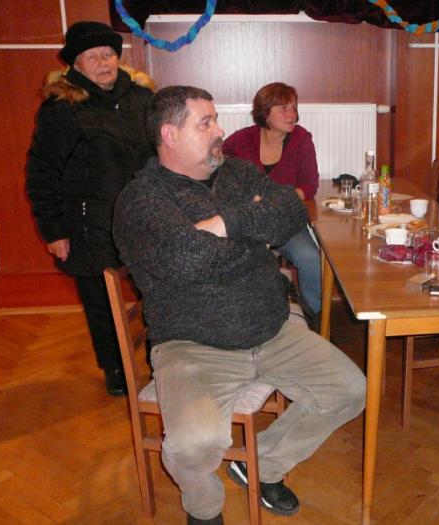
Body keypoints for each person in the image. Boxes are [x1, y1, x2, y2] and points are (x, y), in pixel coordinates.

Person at [113, 85, 366, 525]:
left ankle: (262, 465)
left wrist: (225, 222)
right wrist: (254, 237)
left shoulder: (235, 171)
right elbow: (187, 259)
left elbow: (291, 209)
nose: (219, 130)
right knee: (193, 445)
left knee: (350, 391)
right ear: (170, 134)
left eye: (215, 119)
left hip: (272, 328)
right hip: (193, 345)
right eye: (206, 122)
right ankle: (204, 509)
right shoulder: (141, 201)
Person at [26, 21, 154, 396]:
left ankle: (162, 359)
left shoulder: (141, 99)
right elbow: (42, 172)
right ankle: (114, 366)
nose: (103, 62)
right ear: (76, 65)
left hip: (143, 217)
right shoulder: (61, 109)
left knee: (158, 291)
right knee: (100, 300)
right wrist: (54, 231)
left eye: (108, 54)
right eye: (92, 57)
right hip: (88, 223)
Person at [222, 82, 322, 325]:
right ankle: (243, 318)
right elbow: (217, 169)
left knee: (310, 258)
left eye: (294, 108)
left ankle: (314, 316)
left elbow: (310, 185)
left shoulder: (301, 139)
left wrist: (276, 201)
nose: (292, 114)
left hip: (286, 221)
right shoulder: (241, 140)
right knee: (236, 261)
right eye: (283, 109)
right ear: (265, 113)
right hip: (248, 224)